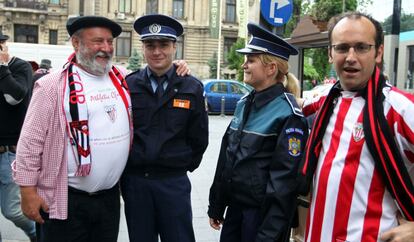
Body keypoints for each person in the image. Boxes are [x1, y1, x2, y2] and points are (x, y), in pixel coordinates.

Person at [12, 15, 189, 242]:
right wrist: (27, 191)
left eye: (110, 41)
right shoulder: (51, 86)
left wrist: (176, 66)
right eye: (98, 41)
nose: (106, 48)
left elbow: (157, 72)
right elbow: (30, 142)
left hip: (108, 201)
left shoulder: (123, 78)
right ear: (76, 43)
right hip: (65, 200)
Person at [298, 12, 414, 242]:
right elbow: (296, 103)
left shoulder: (399, 108)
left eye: (361, 47)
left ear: (378, 52)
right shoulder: (325, 100)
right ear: (330, 54)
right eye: (342, 48)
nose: (351, 57)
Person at [208, 22, 308, 242]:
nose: (244, 65)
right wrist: (216, 204)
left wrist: (269, 235)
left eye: (251, 60)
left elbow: (284, 186)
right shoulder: (244, 103)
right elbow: (226, 157)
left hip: (261, 217)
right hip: (235, 211)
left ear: (271, 68)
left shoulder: (288, 114)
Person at [121, 14, 209, 242]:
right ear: (143, 48)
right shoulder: (128, 85)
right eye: (150, 45)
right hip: (137, 183)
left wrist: (181, 165)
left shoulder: (191, 87)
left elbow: (200, 137)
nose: (157, 51)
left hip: (173, 183)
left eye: (163, 45)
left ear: (174, 47)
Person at [0, 31, 36, 242]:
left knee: (13, 211)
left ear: (4, 46)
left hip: (10, 153)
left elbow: (14, 97)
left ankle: (37, 233)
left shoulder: (20, 67)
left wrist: (3, 68)